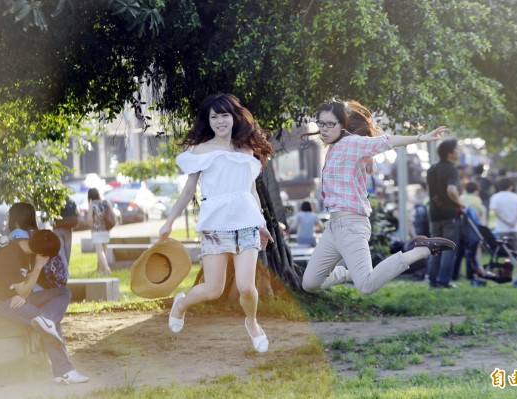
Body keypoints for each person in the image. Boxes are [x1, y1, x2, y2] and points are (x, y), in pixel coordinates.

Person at [300, 98, 455, 295]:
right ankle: (350, 274)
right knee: (310, 283)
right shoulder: (332, 149)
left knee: (366, 286)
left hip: (352, 226)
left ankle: (420, 250)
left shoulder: (352, 143)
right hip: (333, 228)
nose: (324, 129)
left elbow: (386, 141)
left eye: (330, 124)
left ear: (342, 125)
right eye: (321, 123)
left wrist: (421, 138)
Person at [159, 93, 274, 353]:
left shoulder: (246, 149)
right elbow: (188, 192)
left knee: (246, 286)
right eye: (214, 116)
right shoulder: (200, 152)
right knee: (213, 289)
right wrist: (169, 222)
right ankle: (181, 304)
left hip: (246, 223)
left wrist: (262, 223)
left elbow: (251, 191)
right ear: (208, 121)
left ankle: (252, 322)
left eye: (225, 115)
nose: (220, 121)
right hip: (215, 224)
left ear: (234, 117)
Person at [0, 230, 88, 384]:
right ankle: (64, 371)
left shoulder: (26, 245)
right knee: (45, 325)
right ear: (43, 255)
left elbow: (24, 289)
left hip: (16, 298)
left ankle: (46, 319)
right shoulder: (11, 255)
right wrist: (38, 266)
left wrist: (23, 294)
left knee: (63, 293)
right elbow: (23, 290)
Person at [426, 139, 465, 288]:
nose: (459, 151)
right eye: (457, 149)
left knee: (435, 248)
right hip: (449, 214)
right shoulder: (452, 169)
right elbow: (451, 190)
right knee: (448, 248)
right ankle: (444, 281)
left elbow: (429, 191)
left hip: (434, 214)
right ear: (450, 153)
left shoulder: (432, 169)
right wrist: (459, 203)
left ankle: (432, 281)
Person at [8, 202, 68, 289]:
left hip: (30, 285)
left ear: (14, 218)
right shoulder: (38, 235)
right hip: (46, 283)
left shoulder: (17, 234)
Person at [489, 177, 517, 253]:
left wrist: (506, 222)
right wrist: (514, 222)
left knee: (504, 254)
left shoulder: (495, 197)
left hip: (501, 229)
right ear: (511, 186)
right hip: (515, 228)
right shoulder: (516, 197)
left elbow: (496, 212)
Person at [86, 188, 111, 275]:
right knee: (104, 251)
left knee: (100, 252)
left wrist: (91, 223)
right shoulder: (105, 202)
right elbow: (113, 214)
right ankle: (101, 270)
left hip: (96, 230)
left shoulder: (92, 204)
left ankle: (107, 269)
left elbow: (89, 218)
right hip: (106, 229)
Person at [53, 196, 79, 266]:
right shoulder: (71, 202)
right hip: (68, 229)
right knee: (68, 251)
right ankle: (66, 268)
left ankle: (62, 269)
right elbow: (77, 213)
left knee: (60, 252)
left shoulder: (54, 202)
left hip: (57, 228)